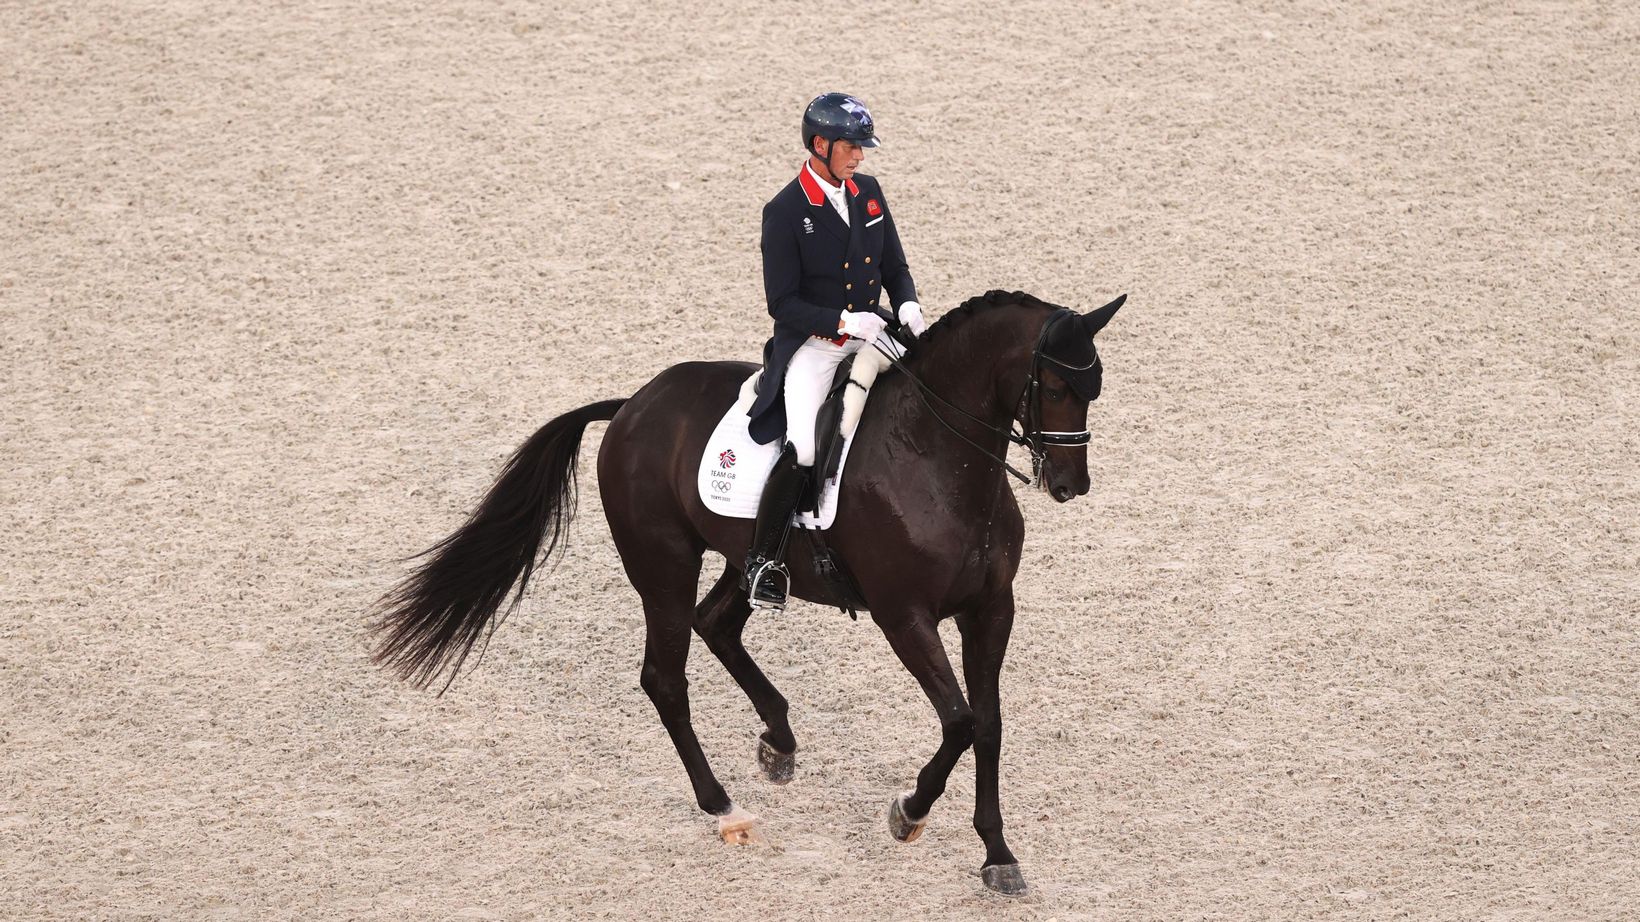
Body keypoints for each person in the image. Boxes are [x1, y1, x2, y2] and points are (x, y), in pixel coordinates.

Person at [743, 92, 926, 611]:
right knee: (802, 446)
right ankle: (765, 562)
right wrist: (841, 321)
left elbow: (894, 266)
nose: (860, 156)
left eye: (862, 148)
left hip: (874, 332)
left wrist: (908, 303)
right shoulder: (785, 212)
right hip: (816, 346)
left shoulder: (868, 193)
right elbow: (782, 303)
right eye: (851, 146)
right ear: (820, 144)